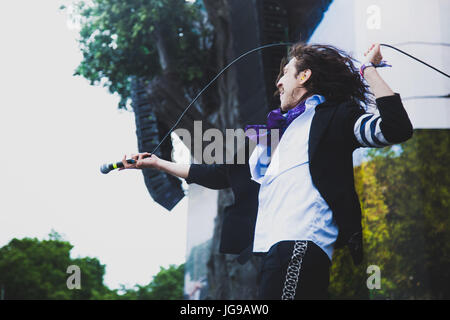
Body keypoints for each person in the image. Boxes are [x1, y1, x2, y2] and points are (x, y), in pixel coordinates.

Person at [119, 42, 413, 299]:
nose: (279, 84)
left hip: (301, 242)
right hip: (272, 250)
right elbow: (219, 175)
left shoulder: (335, 117)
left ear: (305, 76)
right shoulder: (271, 136)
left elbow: (395, 128)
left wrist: (369, 70)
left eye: (285, 74)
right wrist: (157, 162)